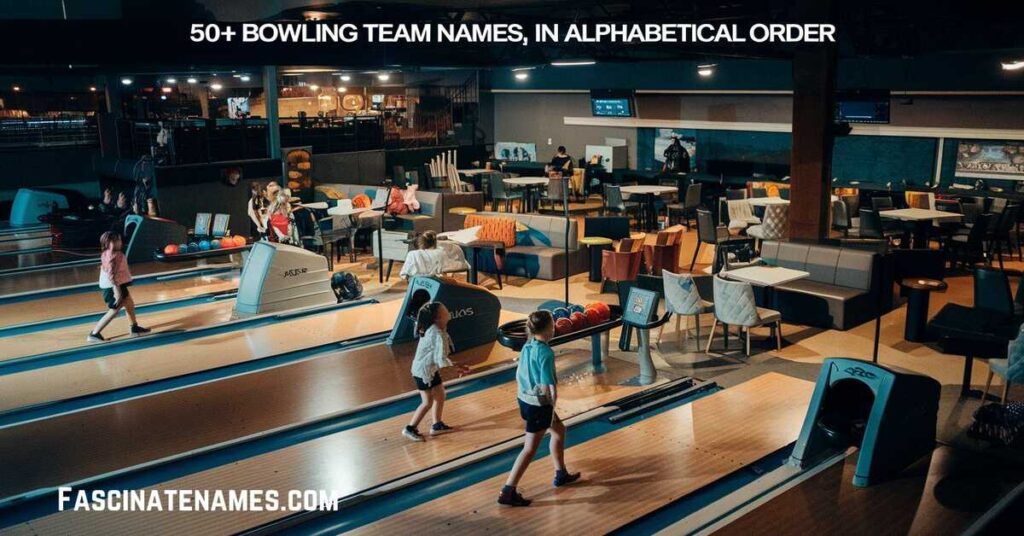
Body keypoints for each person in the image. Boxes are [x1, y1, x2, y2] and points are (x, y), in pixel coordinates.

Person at [498, 310, 580, 506]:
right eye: (553, 325)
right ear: (549, 328)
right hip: (539, 404)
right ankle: (508, 491)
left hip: (525, 400)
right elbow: (547, 386)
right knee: (529, 449)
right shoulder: (545, 353)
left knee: (559, 430)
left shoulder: (528, 346)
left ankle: (561, 473)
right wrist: (551, 404)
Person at [403, 301, 470, 442]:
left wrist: (457, 366)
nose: (447, 310)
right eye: (444, 310)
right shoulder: (436, 334)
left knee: (440, 395)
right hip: (423, 372)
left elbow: (440, 358)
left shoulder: (437, 329)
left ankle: (437, 425)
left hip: (429, 369)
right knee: (427, 402)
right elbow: (441, 360)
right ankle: (410, 428)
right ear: (437, 318)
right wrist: (457, 367)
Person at [87, 231, 150, 342]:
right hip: (115, 287)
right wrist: (117, 292)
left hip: (114, 285)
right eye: (119, 240)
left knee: (129, 303)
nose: (121, 242)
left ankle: (134, 327)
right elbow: (112, 275)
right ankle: (94, 333)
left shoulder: (106, 253)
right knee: (114, 310)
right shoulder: (117, 255)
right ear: (112, 243)